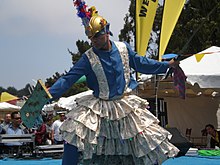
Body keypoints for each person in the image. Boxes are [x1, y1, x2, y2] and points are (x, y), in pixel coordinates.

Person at [48, 6, 179, 165]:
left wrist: (165, 66)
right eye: (91, 38)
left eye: (97, 36)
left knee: (148, 141)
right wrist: (46, 96)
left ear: (106, 31)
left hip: (126, 107)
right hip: (98, 109)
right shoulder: (88, 58)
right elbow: (67, 79)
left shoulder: (123, 48)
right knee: (73, 137)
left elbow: (141, 63)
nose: (94, 41)